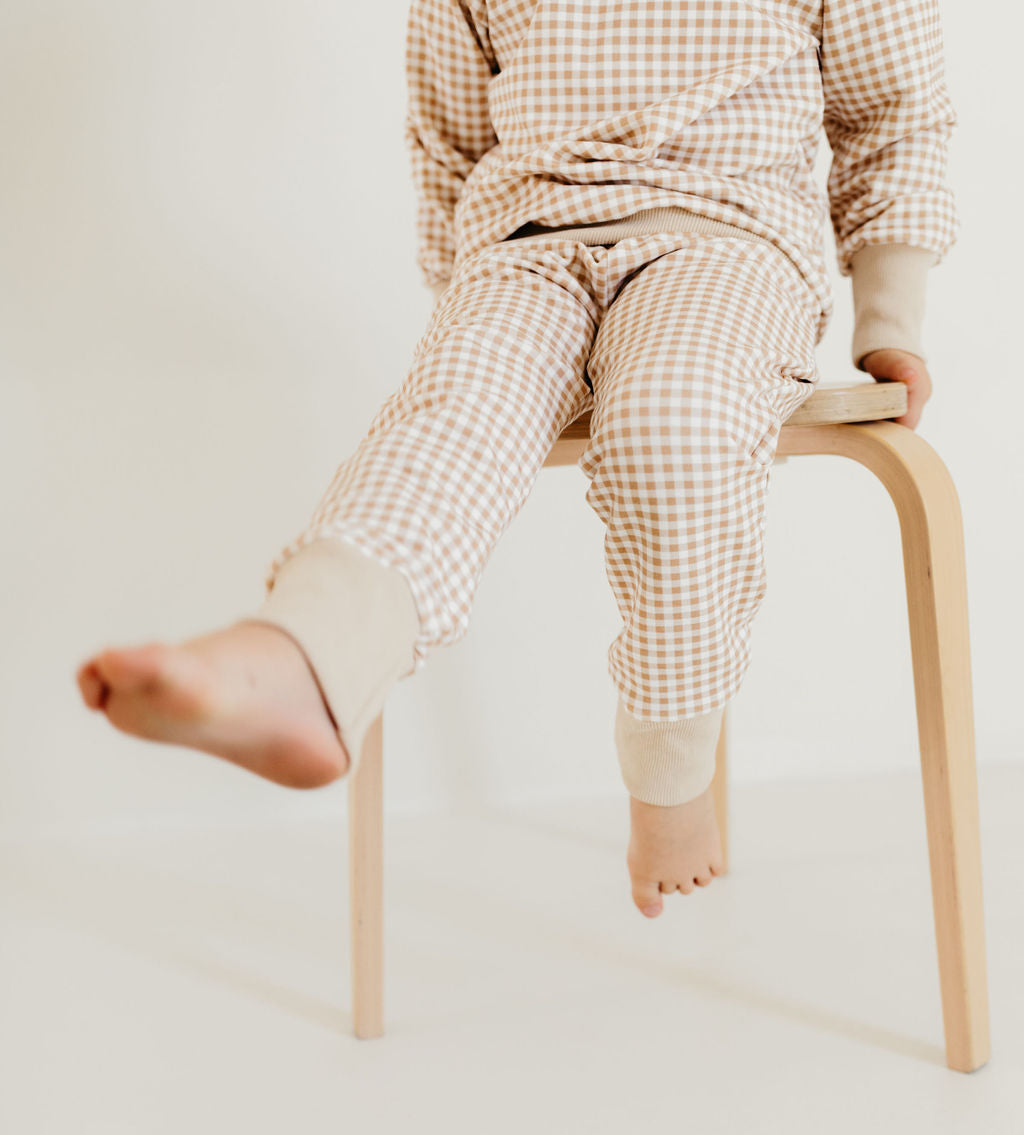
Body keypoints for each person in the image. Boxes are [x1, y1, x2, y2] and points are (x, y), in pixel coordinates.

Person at [75, 0, 957, 918]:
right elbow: (448, 134)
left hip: (727, 239)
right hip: (524, 249)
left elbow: (892, 112)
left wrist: (889, 318)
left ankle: (671, 763)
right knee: (451, 419)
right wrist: (472, 314)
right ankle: (305, 662)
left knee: (674, 419)